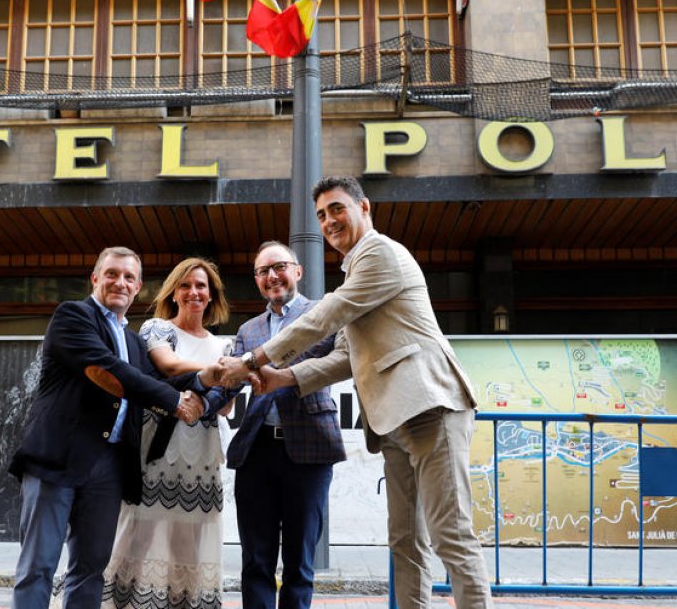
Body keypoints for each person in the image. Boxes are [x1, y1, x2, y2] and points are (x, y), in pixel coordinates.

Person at [218, 176, 493, 609]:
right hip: (393, 420)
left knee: (451, 537)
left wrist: (254, 361)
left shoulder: (378, 253)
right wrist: (282, 378)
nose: (329, 221)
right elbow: (345, 357)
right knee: (405, 541)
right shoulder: (354, 271)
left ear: (364, 207)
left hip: (431, 405)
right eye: (321, 215)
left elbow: (325, 317)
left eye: (337, 209)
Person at [8, 247, 210, 609]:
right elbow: (110, 369)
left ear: (138, 287)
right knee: (38, 566)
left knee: (91, 569)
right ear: (95, 279)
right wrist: (175, 402)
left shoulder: (133, 341)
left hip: (109, 466)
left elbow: (158, 381)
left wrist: (213, 376)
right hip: (57, 459)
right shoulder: (73, 316)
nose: (120, 282)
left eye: (129, 277)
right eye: (112, 274)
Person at [103, 257, 235, 609]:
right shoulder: (157, 328)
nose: (193, 292)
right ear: (174, 293)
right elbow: (169, 365)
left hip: (202, 454)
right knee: (139, 533)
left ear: (211, 295)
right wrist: (220, 374)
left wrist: (222, 379)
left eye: (201, 286)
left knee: (188, 542)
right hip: (158, 448)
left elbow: (226, 407)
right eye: (185, 285)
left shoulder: (224, 346)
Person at [228, 241, 345, 609]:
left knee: (299, 561)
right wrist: (195, 400)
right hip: (256, 451)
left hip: (310, 449)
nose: (272, 276)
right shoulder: (248, 329)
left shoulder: (323, 314)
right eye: (263, 271)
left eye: (279, 266)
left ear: (298, 271)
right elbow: (229, 380)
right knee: (255, 560)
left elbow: (341, 361)